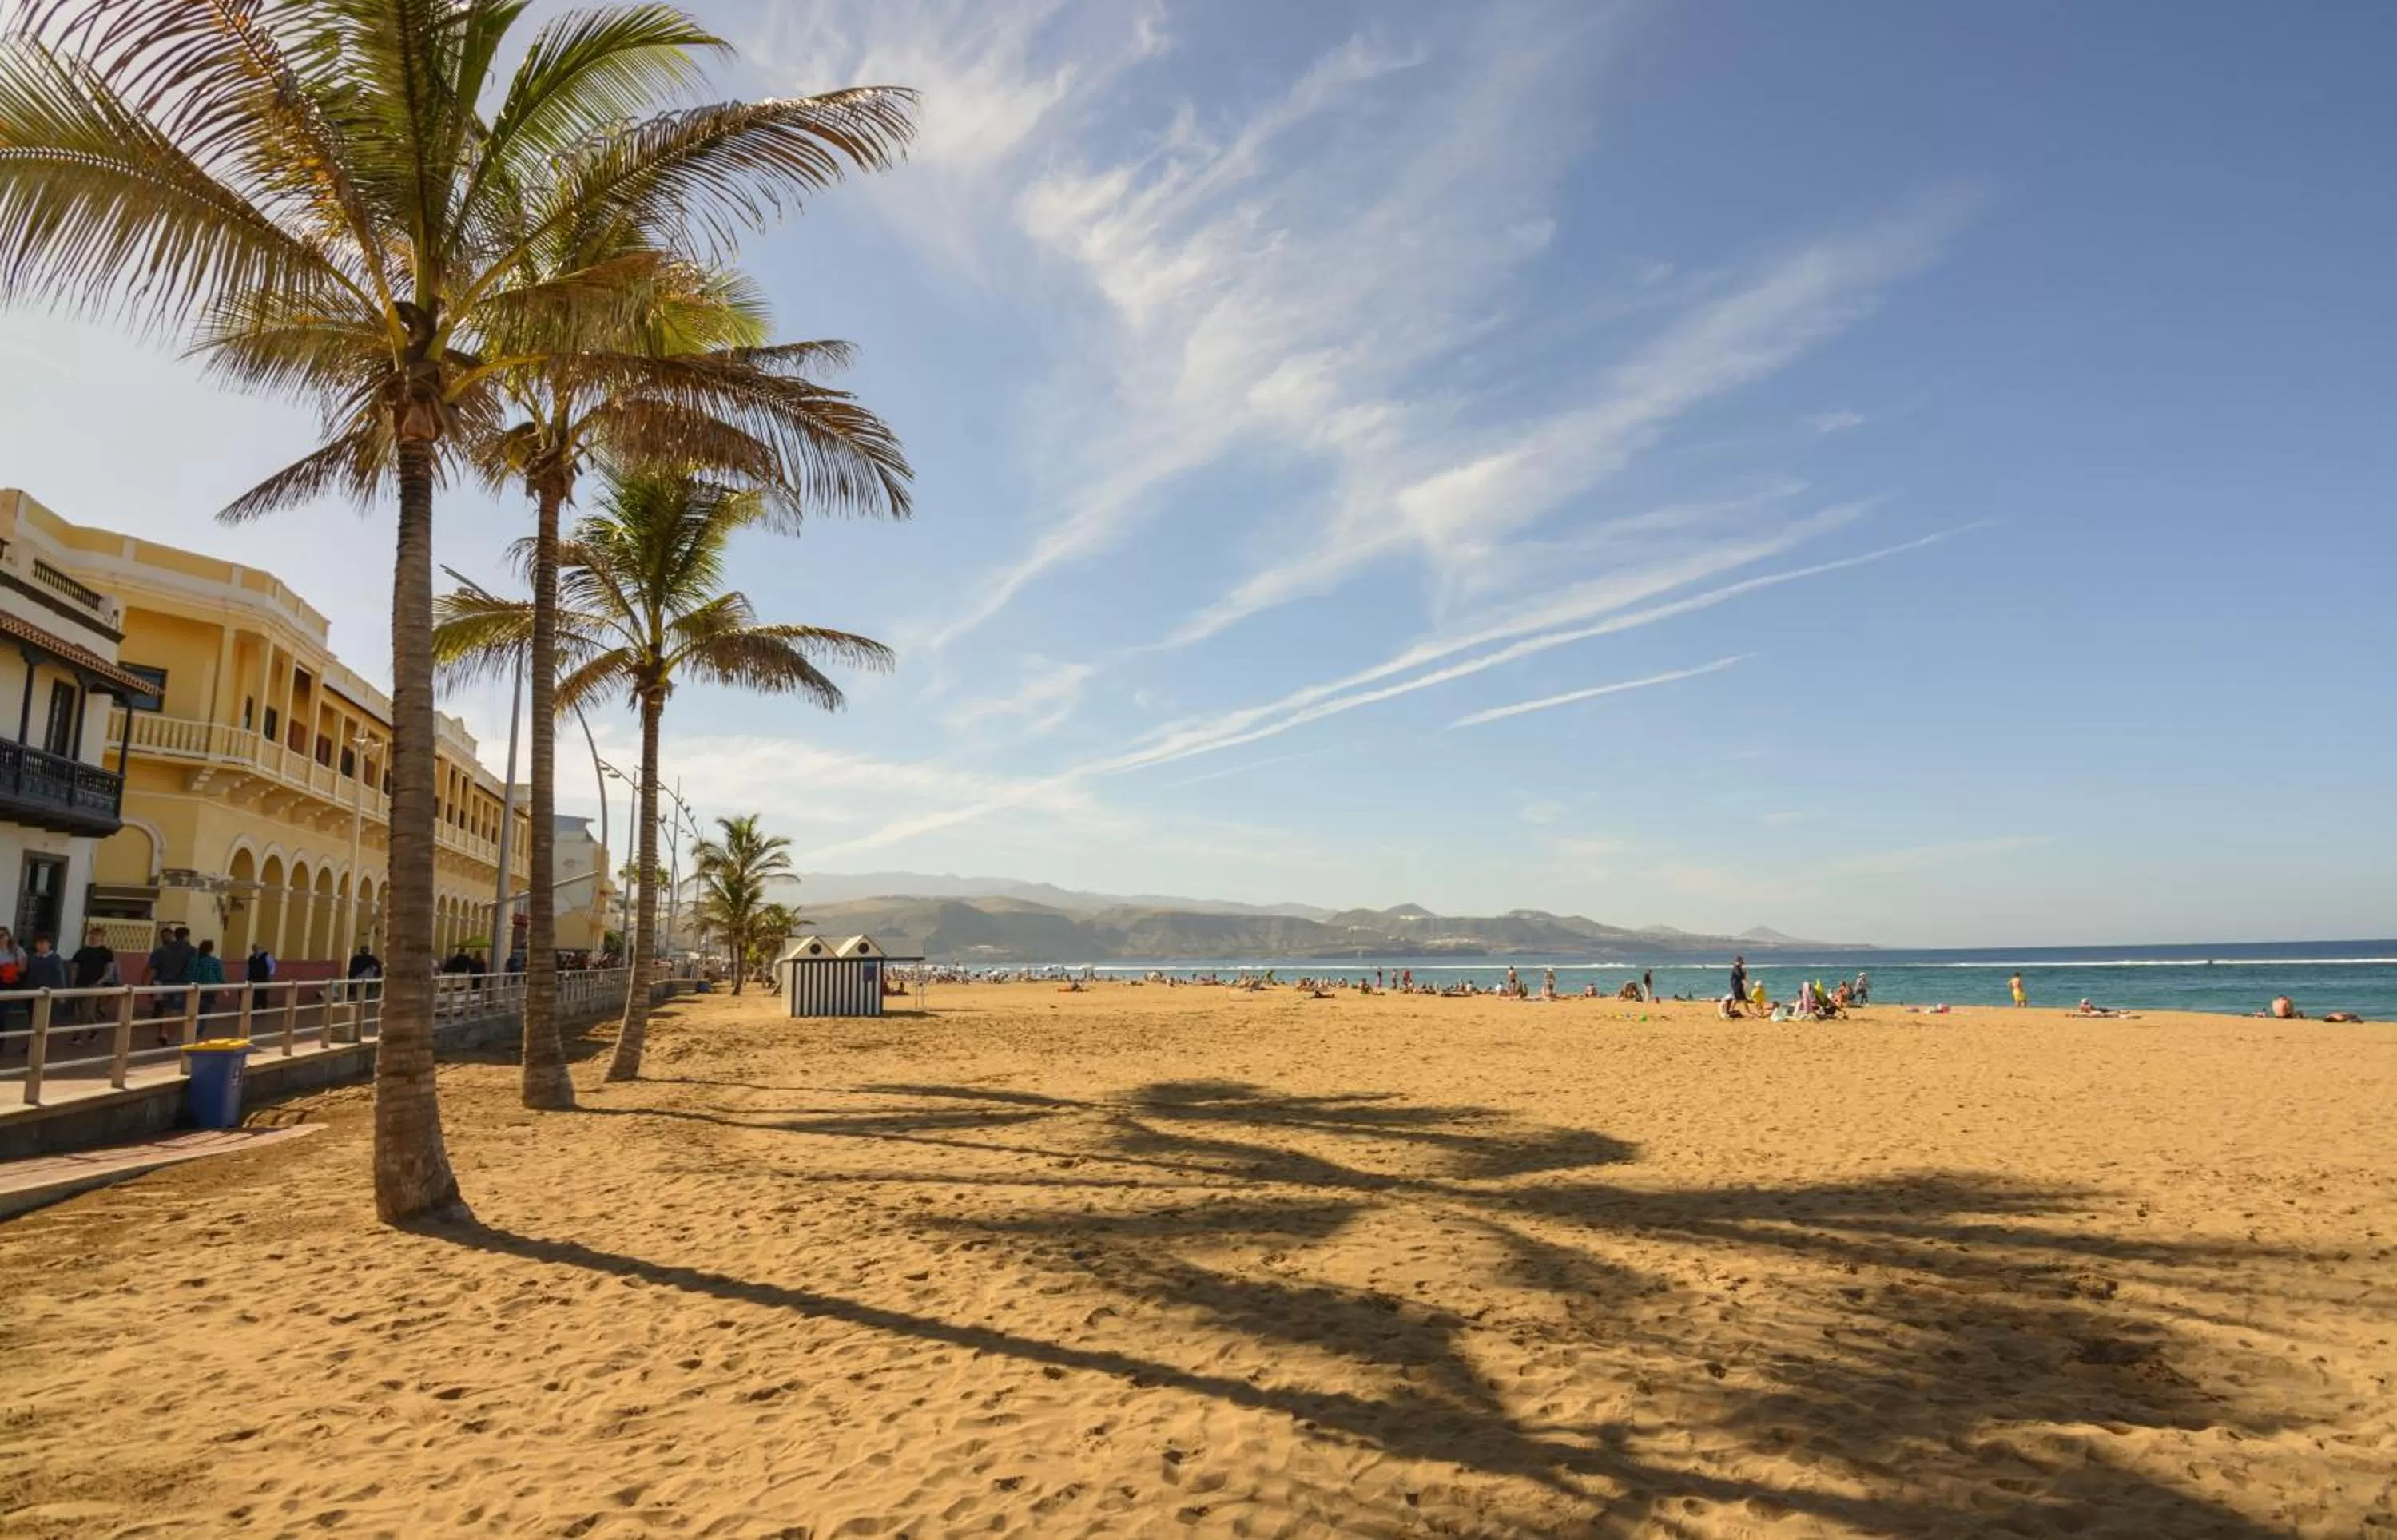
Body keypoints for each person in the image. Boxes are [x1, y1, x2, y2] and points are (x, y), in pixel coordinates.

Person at [148, 926, 195, 1044]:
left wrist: (146, 981)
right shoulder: (191, 950)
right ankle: (172, 1037)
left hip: (163, 983)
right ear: (187, 936)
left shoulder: (163, 949)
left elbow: (152, 966)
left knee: (166, 1008)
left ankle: (164, 1032)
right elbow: (193, 967)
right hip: (181, 983)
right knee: (176, 1011)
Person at [69, 927, 116, 1042]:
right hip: (80, 983)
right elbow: (74, 967)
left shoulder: (106, 953)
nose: (93, 937)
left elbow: (109, 971)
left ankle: (78, 1036)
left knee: (86, 1010)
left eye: (96, 935)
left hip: (94, 985)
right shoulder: (82, 951)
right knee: (81, 1010)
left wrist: (99, 982)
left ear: (102, 937)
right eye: (92, 935)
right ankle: (95, 1030)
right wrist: (73, 982)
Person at [191, 939, 225, 1029]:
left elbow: (189, 974)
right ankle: (200, 1030)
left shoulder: (194, 961)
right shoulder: (215, 962)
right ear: (211, 949)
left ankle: (192, 1028)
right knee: (205, 1011)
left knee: (193, 1010)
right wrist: (224, 987)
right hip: (210, 989)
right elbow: (220, 975)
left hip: (195, 988)